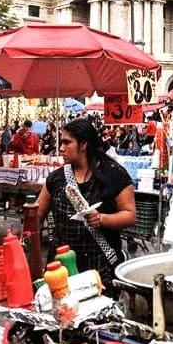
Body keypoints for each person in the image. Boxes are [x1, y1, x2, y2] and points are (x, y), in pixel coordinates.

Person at [36, 119, 136, 286]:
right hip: (62, 265)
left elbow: (130, 215)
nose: (61, 148)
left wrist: (102, 219)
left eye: (67, 142)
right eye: (61, 142)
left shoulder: (113, 175)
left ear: (84, 144)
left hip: (99, 266)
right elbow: (37, 214)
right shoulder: (56, 179)